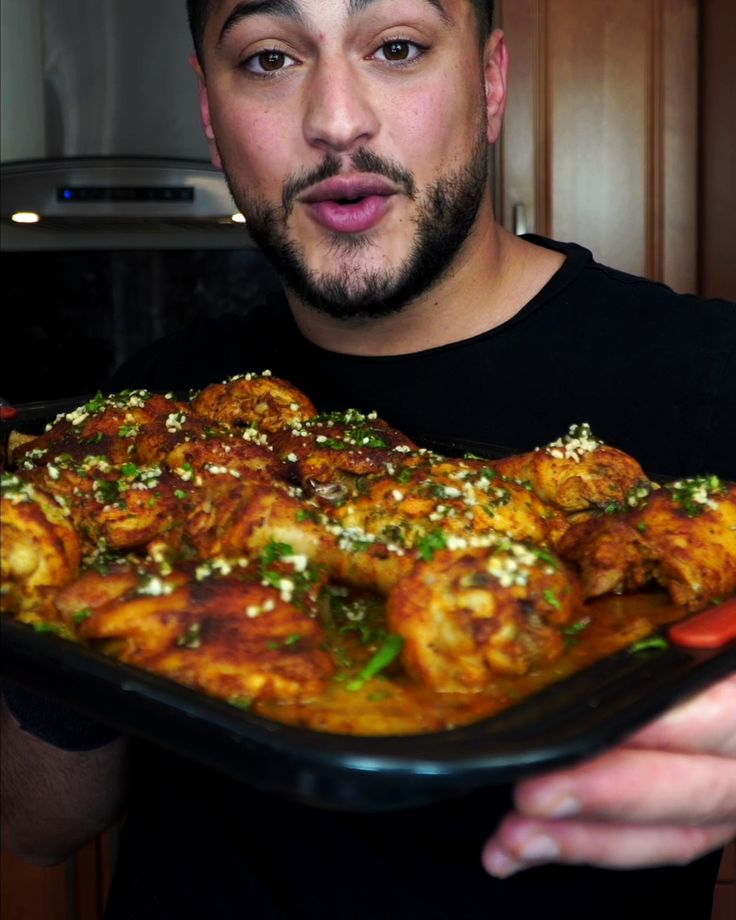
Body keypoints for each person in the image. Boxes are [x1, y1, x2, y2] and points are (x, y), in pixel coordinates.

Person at [2, 1, 735, 917]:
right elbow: (39, 829)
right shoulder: (153, 405)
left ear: (491, 82)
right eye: (270, 59)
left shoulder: (711, 379)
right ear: (210, 112)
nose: (336, 119)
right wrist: (62, 603)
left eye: (396, 47)